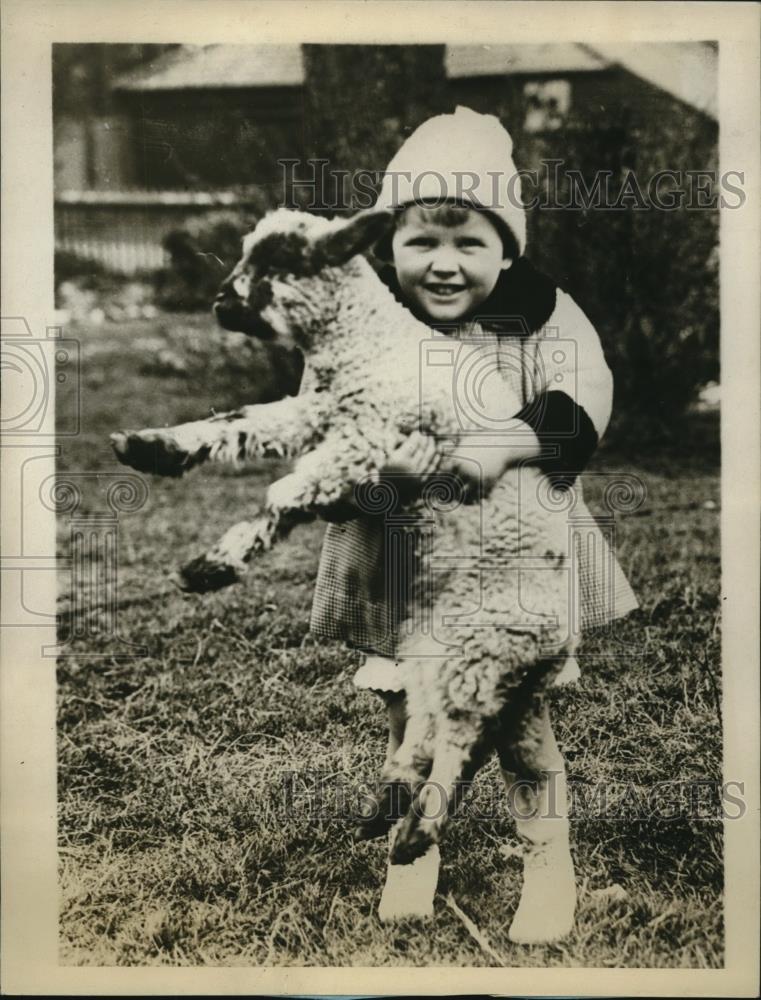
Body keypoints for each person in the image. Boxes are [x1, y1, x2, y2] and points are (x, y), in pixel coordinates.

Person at [309, 106, 639, 919]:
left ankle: (546, 862)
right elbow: (324, 432)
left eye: (469, 241)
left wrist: (501, 445)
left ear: (505, 247)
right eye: (422, 241)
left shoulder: (542, 316)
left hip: (510, 564)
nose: (445, 264)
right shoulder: (364, 325)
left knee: (519, 724)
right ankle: (412, 855)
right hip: (406, 562)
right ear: (386, 244)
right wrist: (376, 469)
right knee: (410, 713)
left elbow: (580, 404)